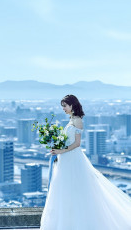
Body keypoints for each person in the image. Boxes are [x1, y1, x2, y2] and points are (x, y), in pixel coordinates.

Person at [40, 94, 131, 230]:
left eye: (65, 105)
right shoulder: (71, 120)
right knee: (65, 190)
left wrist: (61, 150)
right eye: (62, 106)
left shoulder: (77, 120)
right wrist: (58, 148)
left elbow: (77, 144)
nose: (63, 108)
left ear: (72, 105)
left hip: (73, 158)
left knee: (77, 189)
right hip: (66, 159)